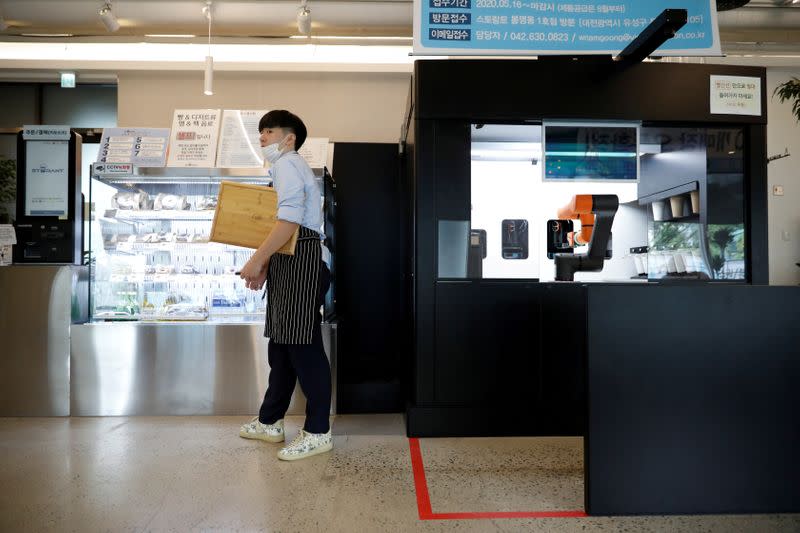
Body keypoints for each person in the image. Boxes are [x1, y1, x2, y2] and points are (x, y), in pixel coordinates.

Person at [237, 110, 332, 461]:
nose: (262, 137)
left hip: (303, 259)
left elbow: (290, 218)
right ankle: (270, 421)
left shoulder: (289, 164)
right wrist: (268, 262)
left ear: (289, 138)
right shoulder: (281, 168)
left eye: (269, 131)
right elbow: (280, 225)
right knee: (281, 348)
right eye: (260, 132)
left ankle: (318, 431)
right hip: (290, 260)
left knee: (303, 348)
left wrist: (257, 260)